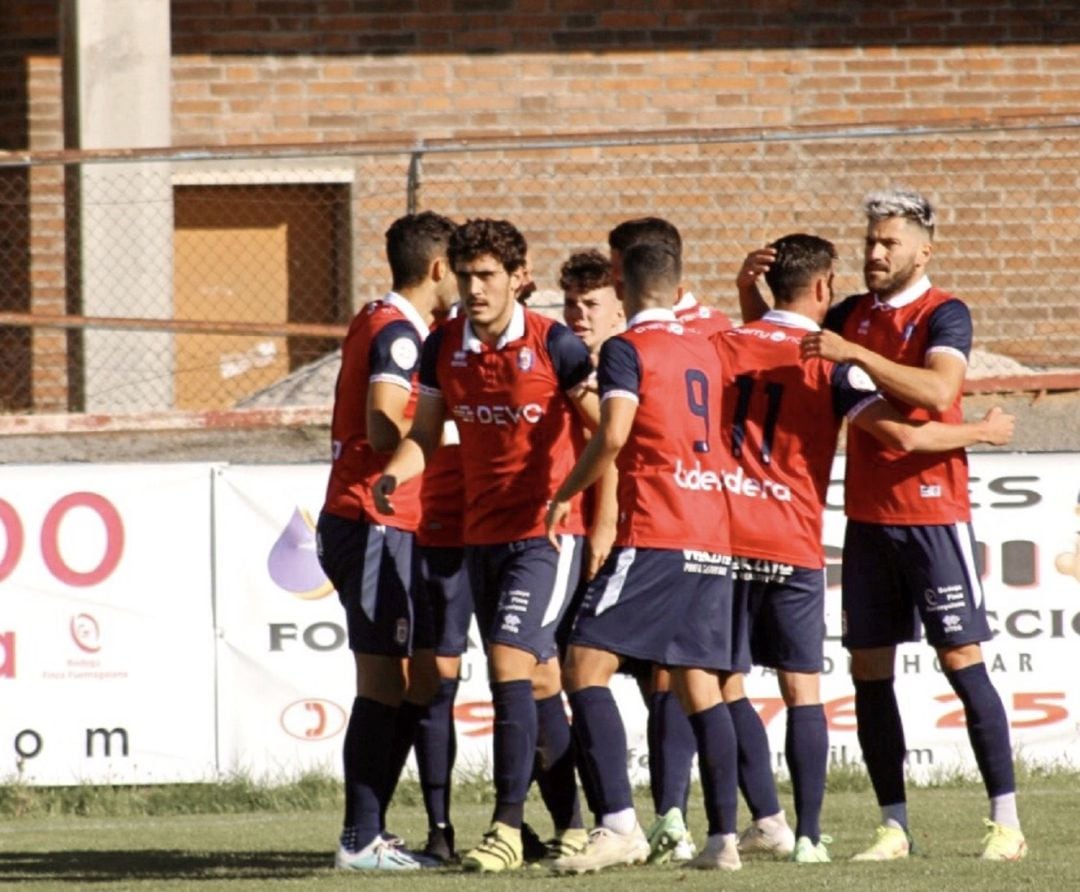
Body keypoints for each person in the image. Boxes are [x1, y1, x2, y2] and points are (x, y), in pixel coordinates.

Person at [717, 232, 1017, 864]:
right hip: (866, 518)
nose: (876, 252)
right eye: (870, 241)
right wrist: (751, 292)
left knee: (962, 657)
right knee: (867, 672)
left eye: (891, 242)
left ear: (925, 249)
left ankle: (1006, 822)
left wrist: (979, 432)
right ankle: (894, 826)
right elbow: (779, 347)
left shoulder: (944, 312)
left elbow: (937, 394)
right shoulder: (846, 312)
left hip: (934, 510)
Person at [372, 218, 599, 873]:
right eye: (466, 275)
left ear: (518, 278)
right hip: (482, 534)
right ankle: (575, 828)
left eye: (488, 276)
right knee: (540, 680)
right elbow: (426, 430)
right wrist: (395, 473)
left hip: (547, 536)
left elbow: (605, 438)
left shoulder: (554, 345)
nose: (474, 287)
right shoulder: (446, 345)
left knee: (507, 661)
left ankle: (504, 826)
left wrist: (594, 516)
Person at [546, 240, 743, 873]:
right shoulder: (706, 347)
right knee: (699, 682)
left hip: (659, 527)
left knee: (583, 665)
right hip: (714, 528)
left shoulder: (629, 349)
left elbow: (614, 432)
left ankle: (618, 825)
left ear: (622, 286)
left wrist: (566, 493)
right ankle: (724, 841)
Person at [315, 210, 457, 871]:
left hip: (381, 524)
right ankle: (359, 841)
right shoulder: (400, 331)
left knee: (405, 679)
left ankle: (371, 835)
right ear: (437, 268)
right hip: (372, 520)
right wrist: (447, 431)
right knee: (381, 680)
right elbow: (380, 422)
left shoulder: (381, 317)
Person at [560, 249, 624, 363]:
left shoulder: (632, 365)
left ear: (619, 313)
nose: (578, 314)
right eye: (570, 304)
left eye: (591, 305)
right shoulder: (553, 363)